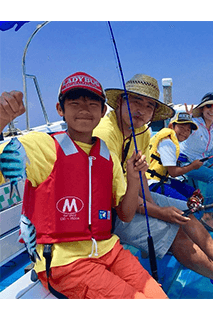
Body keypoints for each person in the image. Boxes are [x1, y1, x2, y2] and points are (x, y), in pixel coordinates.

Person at [0, 72, 167, 299]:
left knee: (160, 299)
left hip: (110, 250)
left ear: (102, 111)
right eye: (74, 103)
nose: (84, 109)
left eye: (92, 103)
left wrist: (134, 176)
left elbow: (126, 215)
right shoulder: (41, 146)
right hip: (64, 263)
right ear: (60, 110)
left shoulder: (107, 156)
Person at [93, 74, 213, 290]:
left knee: (185, 213)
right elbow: (123, 210)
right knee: (175, 232)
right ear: (120, 102)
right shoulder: (105, 137)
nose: (141, 110)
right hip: (105, 212)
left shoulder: (140, 130)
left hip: (133, 195)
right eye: (135, 101)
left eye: (149, 106)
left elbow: (140, 174)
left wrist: (154, 205)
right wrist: (159, 212)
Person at [180, 93, 213, 232]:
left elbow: (212, 151)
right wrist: (187, 120)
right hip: (185, 162)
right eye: (208, 106)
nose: (212, 110)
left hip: (201, 162)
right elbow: (180, 132)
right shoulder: (194, 124)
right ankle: (207, 215)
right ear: (203, 109)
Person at [146, 111, 202, 201]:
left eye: (188, 130)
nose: (185, 132)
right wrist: (192, 166)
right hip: (151, 183)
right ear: (171, 126)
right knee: (187, 204)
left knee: (193, 192)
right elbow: (173, 172)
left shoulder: (168, 139)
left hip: (162, 179)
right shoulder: (167, 142)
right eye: (181, 127)